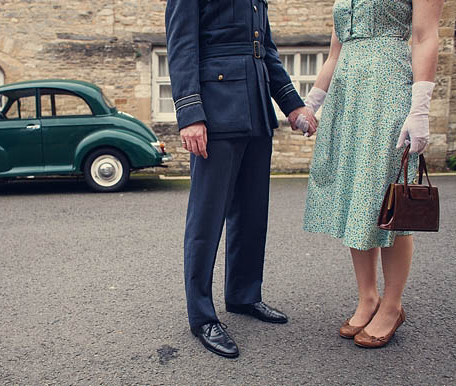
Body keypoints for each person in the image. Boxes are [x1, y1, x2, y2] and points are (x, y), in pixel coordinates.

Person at [165, 0, 317, 358]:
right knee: (207, 219)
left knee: (251, 214)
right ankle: (202, 316)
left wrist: (292, 104)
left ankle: (244, 295)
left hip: (255, 109)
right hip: (216, 111)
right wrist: (189, 113)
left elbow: (263, 49)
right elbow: (181, 44)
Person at [298, 0, 444, 348]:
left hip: (388, 90)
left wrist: (419, 110)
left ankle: (392, 306)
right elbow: (335, 53)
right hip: (348, 100)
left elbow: (425, 37)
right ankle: (368, 297)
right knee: (354, 195)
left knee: (387, 201)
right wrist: (311, 104)